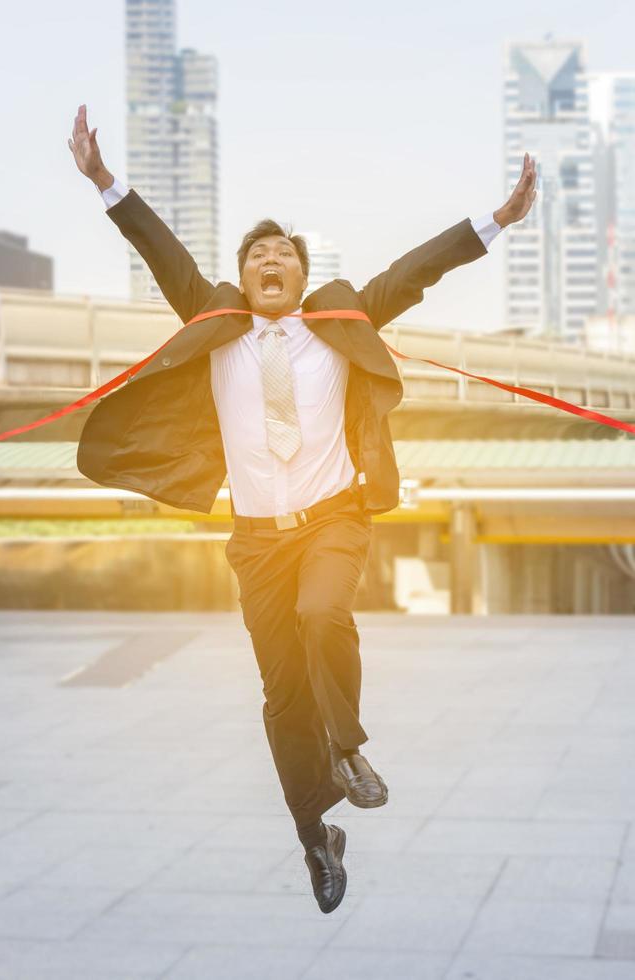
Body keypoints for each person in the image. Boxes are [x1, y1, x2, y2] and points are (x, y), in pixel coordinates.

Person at [68, 103, 537, 914]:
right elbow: (161, 251)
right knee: (282, 700)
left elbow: (414, 270)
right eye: (258, 254)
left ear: (304, 272)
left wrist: (494, 221)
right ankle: (317, 839)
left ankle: (349, 749)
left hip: (331, 519)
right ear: (243, 277)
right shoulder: (214, 320)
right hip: (255, 540)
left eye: (284, 251)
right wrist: (106, 181)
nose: (270, 259)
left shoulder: (340, 318)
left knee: (325, 613)